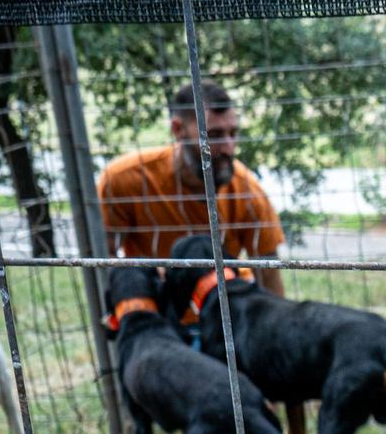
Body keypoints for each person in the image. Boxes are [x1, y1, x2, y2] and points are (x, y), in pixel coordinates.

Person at [97, 80, 286, 297]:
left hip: (223, 304)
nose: (228, 148)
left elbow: (268, 272)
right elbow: (103, 259)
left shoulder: (247, 188)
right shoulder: (124, 179)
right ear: (178, 129)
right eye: (213, 136)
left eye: (233, 133)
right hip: (155, 305)